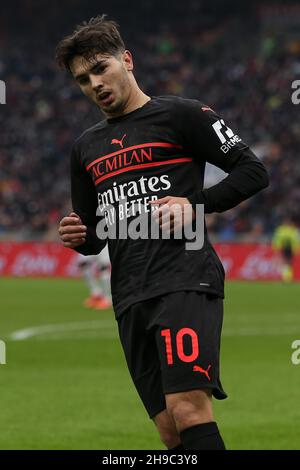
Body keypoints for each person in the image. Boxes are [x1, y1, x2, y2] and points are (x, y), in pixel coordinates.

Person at [56, 15, 269, 450]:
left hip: (185, 279)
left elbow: (253, 170)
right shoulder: (85, 148)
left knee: (189, 410)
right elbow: (96, 234)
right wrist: (79, 234)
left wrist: (195, 205)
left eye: (101, 68)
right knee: (170, 430)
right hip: (130, 293)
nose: (94, 83)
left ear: (127, 61)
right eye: (82, 79)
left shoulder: (183, 115)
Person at [77, 245, 111, 309]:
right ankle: (96, 294)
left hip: (104, 242)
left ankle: (107, 299)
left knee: (103, 268)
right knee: (83, 265)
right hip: (90, 242)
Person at [272, 217, 299, 282]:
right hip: (283, 248)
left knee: (289, 263)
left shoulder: (293, 230)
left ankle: (287, 277)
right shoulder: (281, 230)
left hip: (290, 248)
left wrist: (296, 249)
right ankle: (286, 277)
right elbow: (277, 240)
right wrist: (277, 248)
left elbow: (296, 240)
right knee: (285, 262)